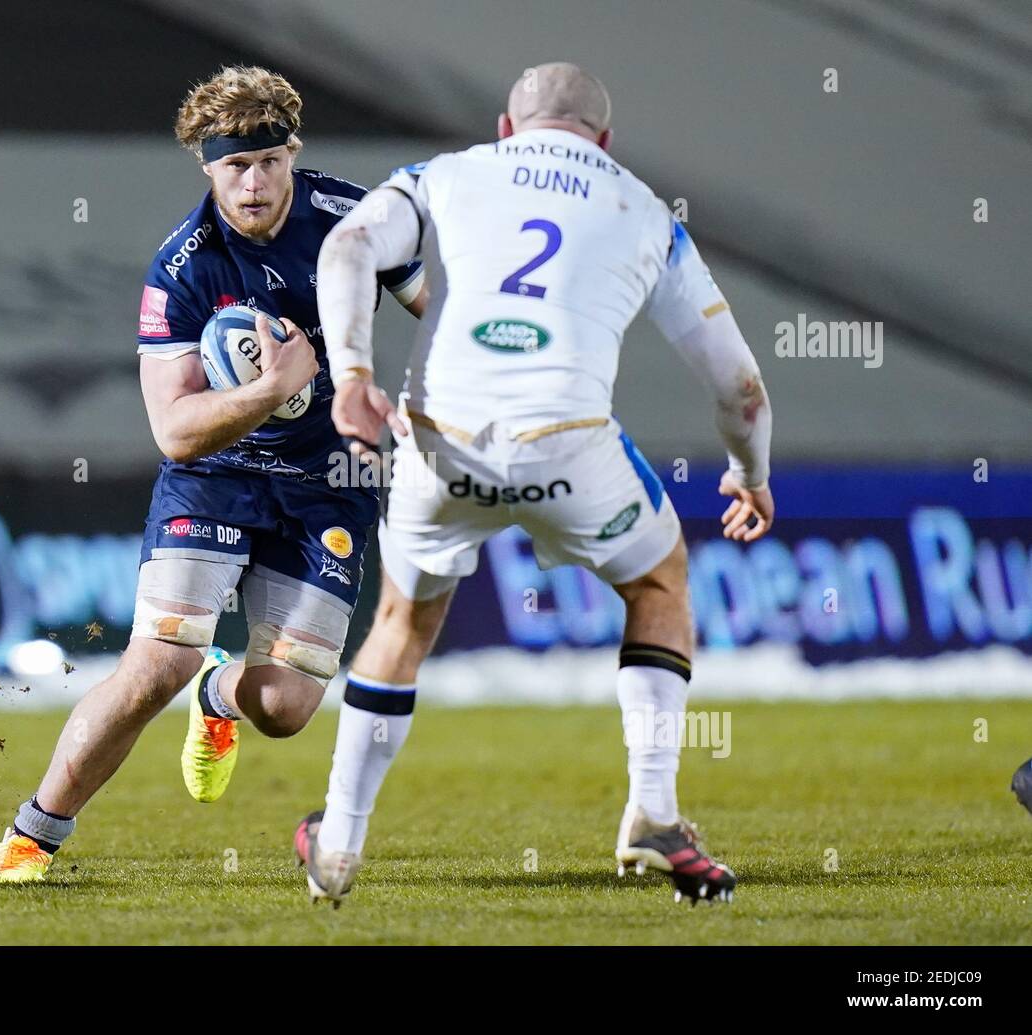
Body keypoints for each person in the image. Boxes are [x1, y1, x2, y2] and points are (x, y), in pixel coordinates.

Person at [296, 62, 774, 906]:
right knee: (659, 580)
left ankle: (336, 843)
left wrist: (351, 375)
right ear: (604, 140)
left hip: (440, 439)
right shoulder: (644, 210)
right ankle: (654, 816)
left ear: (507, 129)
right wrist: (749, 472)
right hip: (567, 445)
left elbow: (346, 246)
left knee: (402, 622)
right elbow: (739, 386)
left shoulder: (443, 176)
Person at [0, 65, 424, 883]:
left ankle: (220, 697)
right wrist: (268, 389)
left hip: (326, 479)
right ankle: (32, 833)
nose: (253, 183)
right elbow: (174, 430)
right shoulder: (181, 268)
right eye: (234, 166)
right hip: (215, 477)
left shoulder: (356, 224)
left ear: (294, 152)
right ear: (206, 167)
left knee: (287, 710)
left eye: (268, 161)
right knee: (156, 664)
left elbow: (439, 307)